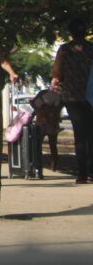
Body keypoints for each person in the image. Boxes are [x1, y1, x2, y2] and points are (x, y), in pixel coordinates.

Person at [51, 17, 93, 184]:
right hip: (91, 96)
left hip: (72, 98)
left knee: (80, 135)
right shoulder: (91, 49)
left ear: (70, 32)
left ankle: (82, 174)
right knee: (91, 134)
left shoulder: (64, 50)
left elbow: (57, 73)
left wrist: (56, 82)